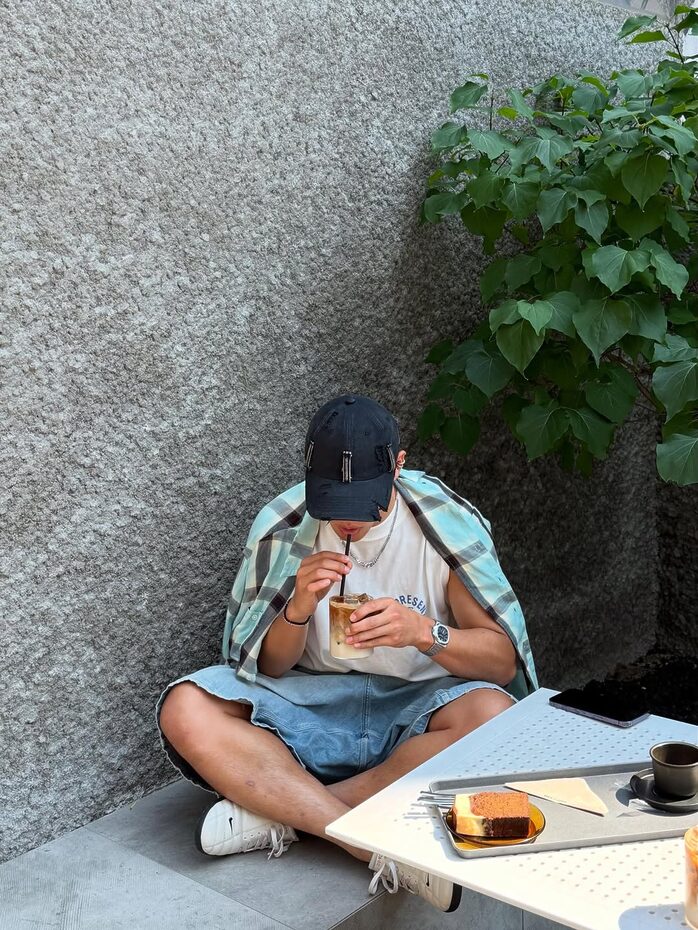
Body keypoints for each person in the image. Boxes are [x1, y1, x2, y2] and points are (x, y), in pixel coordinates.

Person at [157, 394, 537, 913]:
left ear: (398, 466)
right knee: (186, 706)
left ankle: (285, 811)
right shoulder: (285, 524)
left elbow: (501, 662)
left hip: (416, 711)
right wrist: (297, 607)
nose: (345, 520)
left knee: (495, 716)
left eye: (362, 503)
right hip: (310, 705)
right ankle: (368, 842)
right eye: (332, 502)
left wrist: (425, 633)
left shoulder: (442, 528)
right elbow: (269, 667)